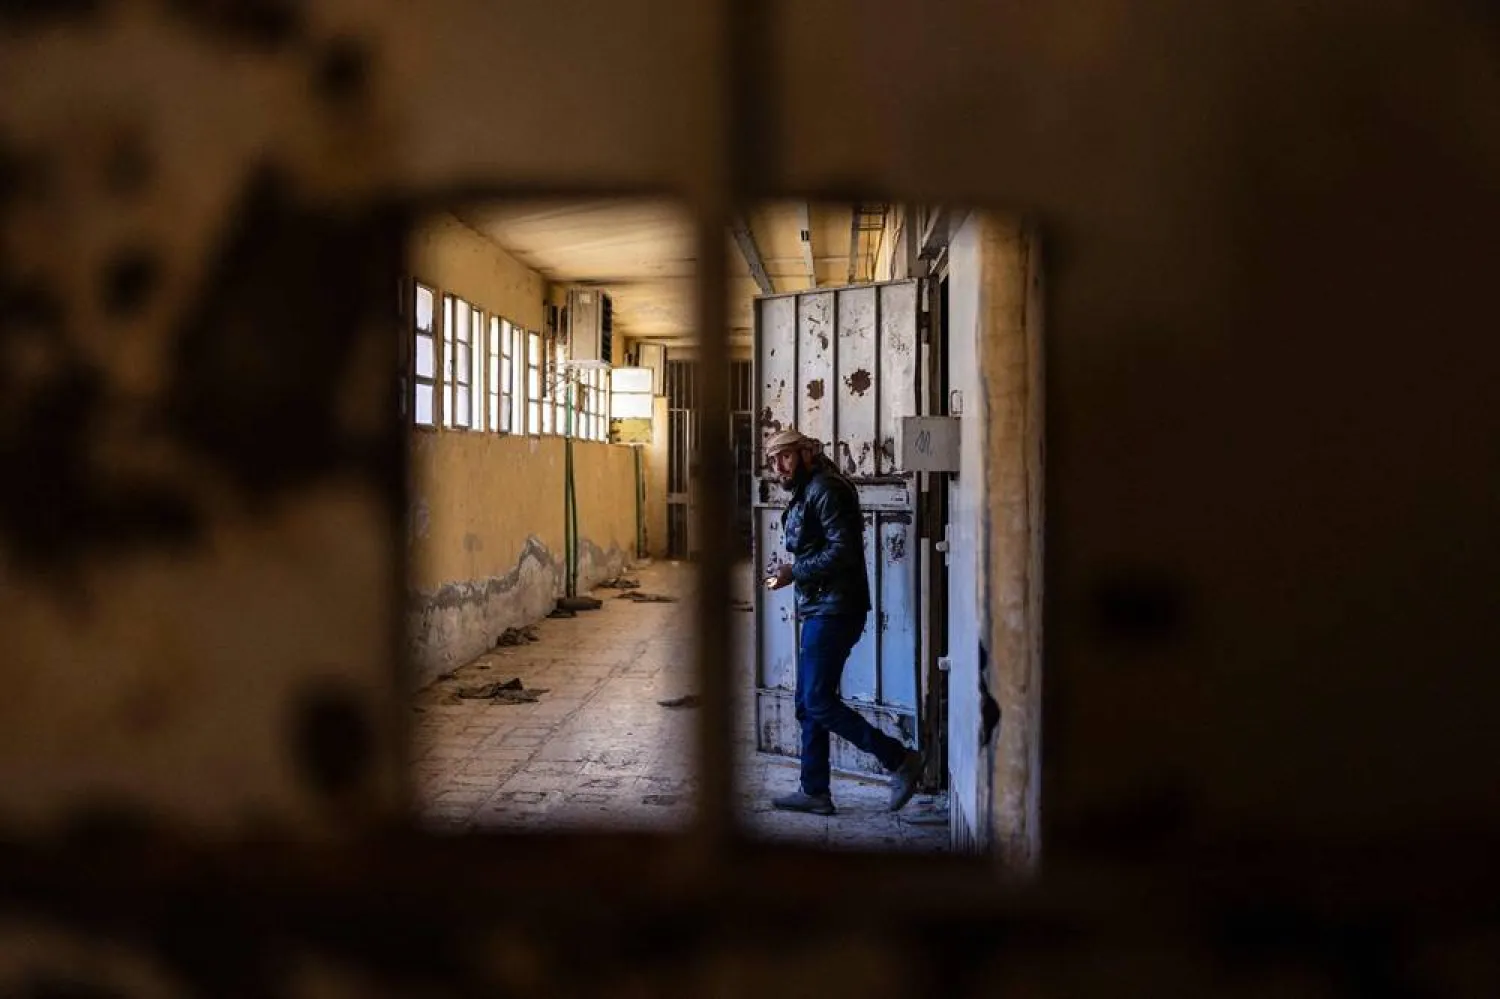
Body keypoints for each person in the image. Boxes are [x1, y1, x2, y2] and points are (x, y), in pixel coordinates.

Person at [763, 427, 924, 815]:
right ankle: (814, 790)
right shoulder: (809, 489)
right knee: (808, 701)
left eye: (785, 456)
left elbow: (844, 552)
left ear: (805, 453)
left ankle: (899, 759)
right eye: (773, 459)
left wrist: (795, 571)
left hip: (836, 608)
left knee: (817, 699)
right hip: (823, 605)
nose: (779, 466)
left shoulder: (826, 489)